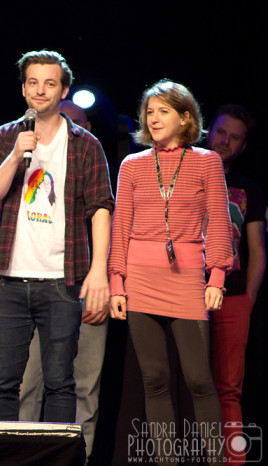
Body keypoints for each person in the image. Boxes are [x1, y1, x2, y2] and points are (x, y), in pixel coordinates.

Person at [0, 50, 114, 424]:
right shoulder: (5, 137)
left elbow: (100, 209)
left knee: (60, 384)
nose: (40, 90)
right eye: (33, 82)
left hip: (62, 283)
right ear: (23, 88)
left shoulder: (86, 145)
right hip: (10, 281)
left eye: (50, 83)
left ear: (63, 90)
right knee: (3, 383)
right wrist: (16, 155)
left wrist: (99, 271)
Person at [108, 80, 233, 464]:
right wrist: (117, 284)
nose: (155, 118)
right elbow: (121, 226)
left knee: (197, 379)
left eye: (164, 111)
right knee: (155, 380)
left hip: (187, 279)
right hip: (141, 279)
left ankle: (215, 459)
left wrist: (216, 278)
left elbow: (219, 222)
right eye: (150, 111)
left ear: (184, 117)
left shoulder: (206, 161)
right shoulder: (132, 165)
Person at [18, 99, 109, 458]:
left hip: (88, 290)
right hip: (43, 290)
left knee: (85, 389)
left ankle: (76, 460)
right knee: (28, 385)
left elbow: (111, 230)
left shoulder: (93, 161)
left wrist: (105, 286)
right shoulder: (30, 166)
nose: (65, 128)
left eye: (75, 122)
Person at [206, 104, 266, 463]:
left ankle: (233, 460)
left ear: (243, 147)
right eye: (221, 132)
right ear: (208, 131)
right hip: (184, 293)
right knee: (186, 382)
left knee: (228, 388)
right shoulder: (182, 175)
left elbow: (258, 248)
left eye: (235, 137)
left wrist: (249, 298)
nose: (225, 141)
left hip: (233, 295)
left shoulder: (248, 189)